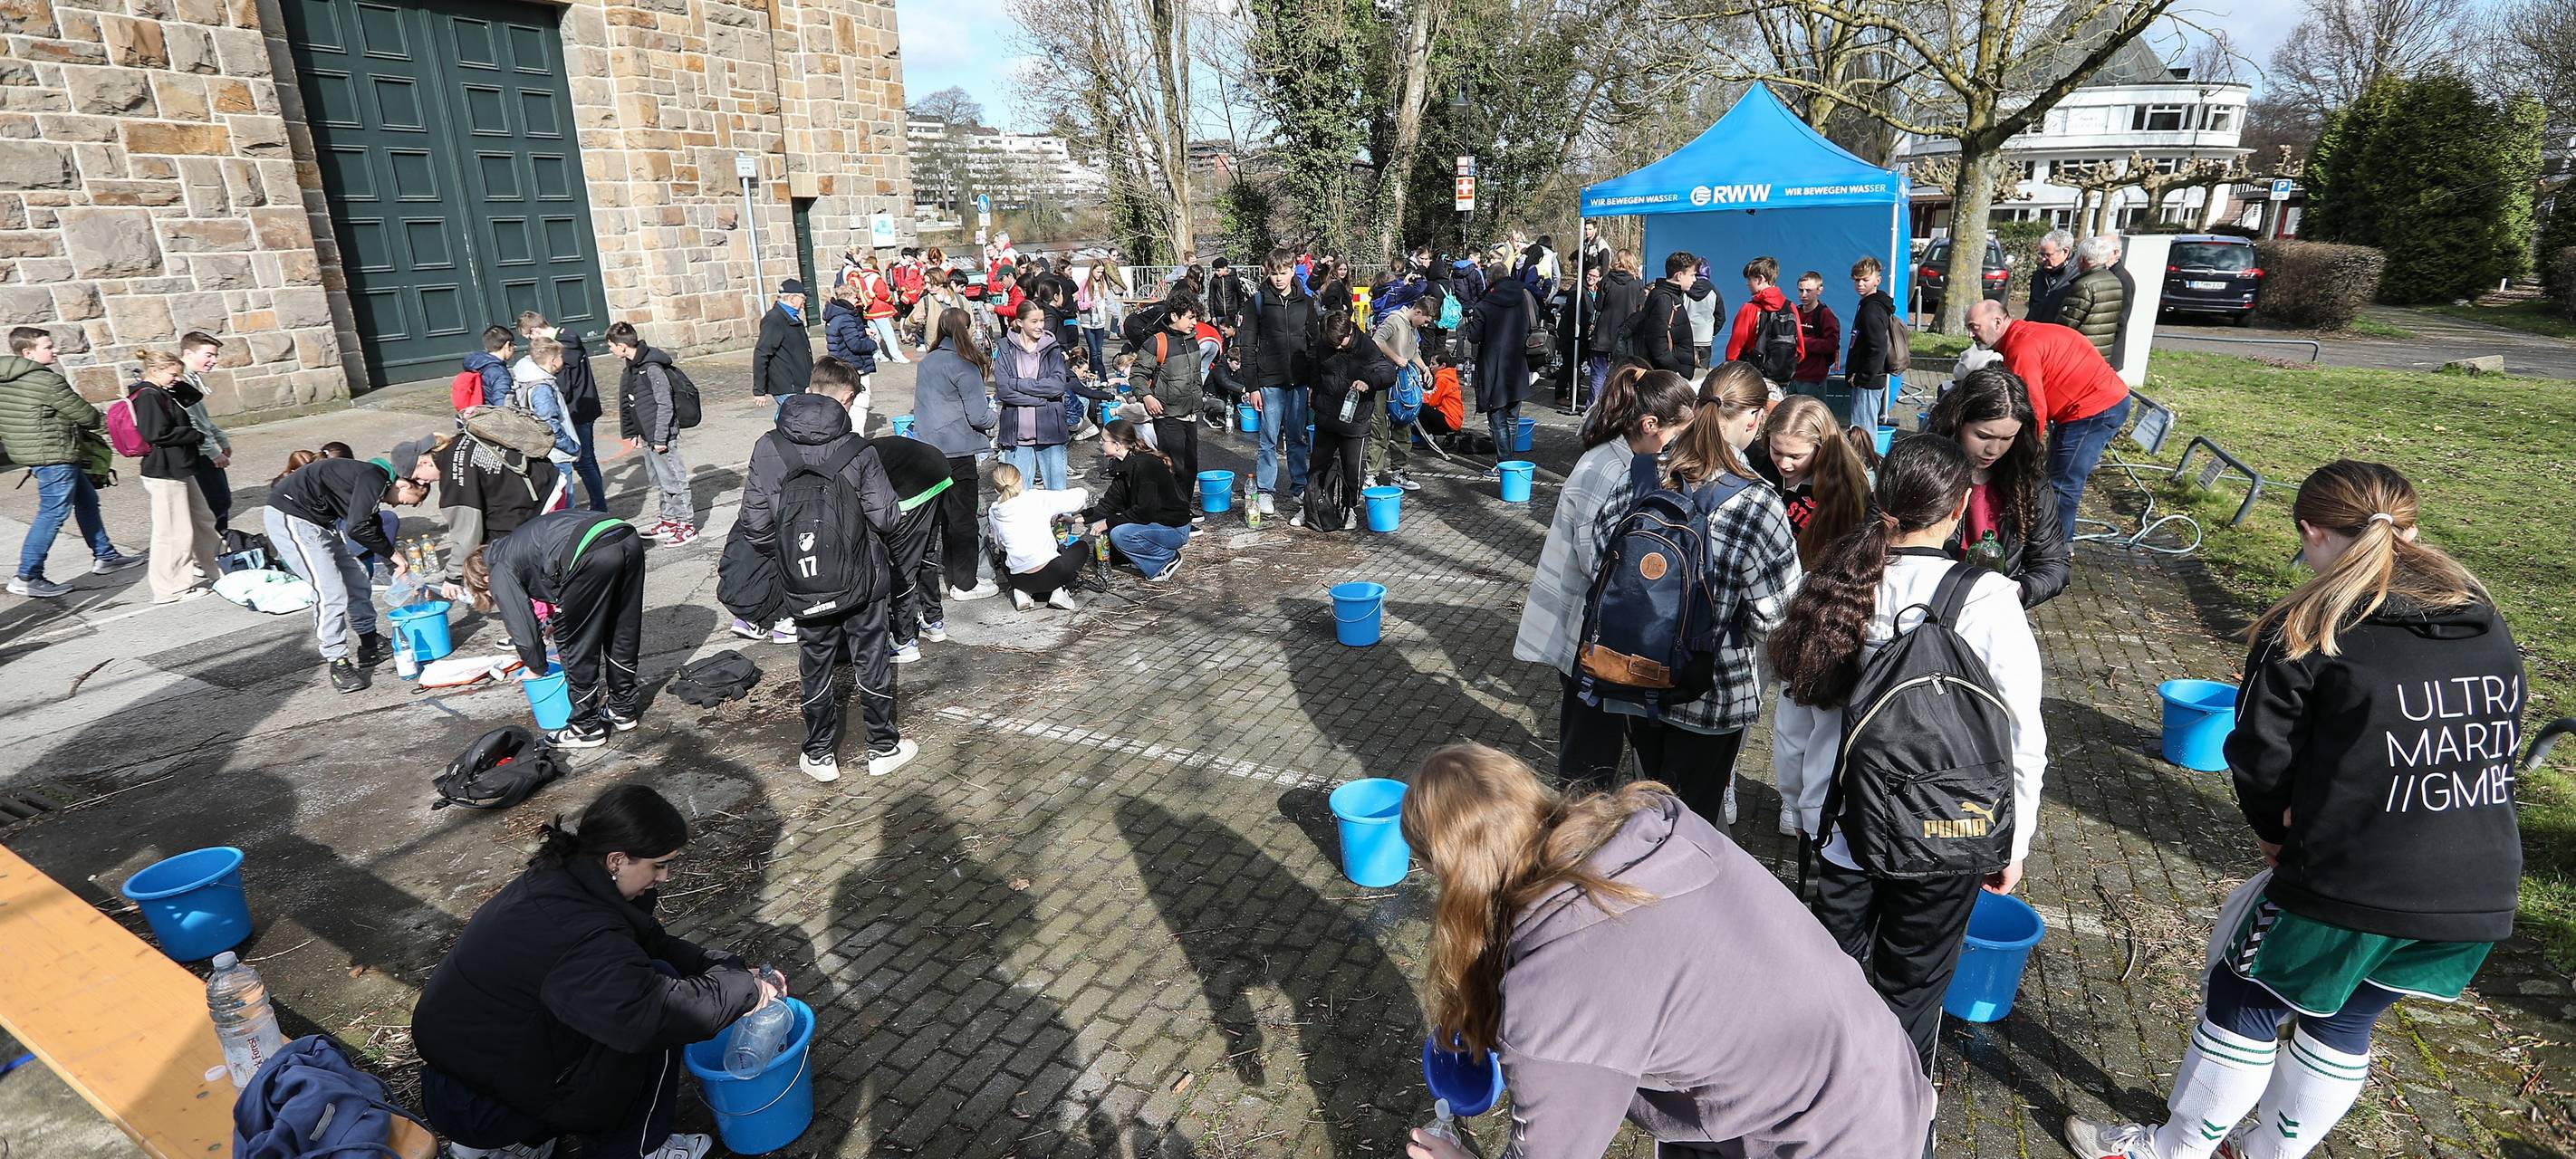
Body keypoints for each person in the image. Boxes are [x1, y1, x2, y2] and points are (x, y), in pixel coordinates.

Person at [2066, 461, 2523, 1159]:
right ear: (2412, 527)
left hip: (2349, 881)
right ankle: (2267, 1153)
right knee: (2341, 1020)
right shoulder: (2482, 619)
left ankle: (2170, 1151)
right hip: (2477, 890)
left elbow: (2258, 754)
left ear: (2310, 531)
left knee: (2244, 998)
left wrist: (2277, 838)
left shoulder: (2308, 626)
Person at [1397, 745, 1935, 1159]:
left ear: (1448, 876)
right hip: (1875, 1062)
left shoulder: (1554, 997)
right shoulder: (1653, 827)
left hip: (1828, 1137)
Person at [1767, 436, 2047, 1075]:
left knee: (1833, 988)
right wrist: (2014, 839)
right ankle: (1900, 1115)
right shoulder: (1989, 599)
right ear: (1960, 508)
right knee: (1912, 994)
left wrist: (1800, 807)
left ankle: (1820, 1106)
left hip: (1843, 832)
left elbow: (1796, 719)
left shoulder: (1833, 582)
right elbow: (2022, 736)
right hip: (1949, 834)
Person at [413, 784, 778, 1159]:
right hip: (483, 1107)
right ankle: (636, 1150)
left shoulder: (565, 877)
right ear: (617, 860)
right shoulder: (579, 931)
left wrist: (724, 968)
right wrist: (744, 993)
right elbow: (655, 1015)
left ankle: (506, 1146)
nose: (665, 877)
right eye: (659, 865)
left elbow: (649, 945)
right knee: (660, 1028)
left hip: (470, 1078)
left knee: (657, 973)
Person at [1579, 362, 1800, 826]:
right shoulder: (1759, 502)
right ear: (1756, 420)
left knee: (1648, 802)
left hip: (1634, 675)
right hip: (1712, 690)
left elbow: (1601, 557)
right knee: (1693, 823)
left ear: (1697, 408)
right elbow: (1775, 617)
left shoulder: (1644, 473)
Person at [1514, 365, 1697, 790]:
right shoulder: (1609, 472)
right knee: (1589, 755)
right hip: (1589, 635)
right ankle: (1577, 834)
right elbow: (1601, 562)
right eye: (1679, 433)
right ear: (1650, 426)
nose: (1682, 445)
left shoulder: (1628, 457)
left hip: (1597, 630)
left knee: (1598, 739)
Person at [738, 381, 913, 781]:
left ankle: (819, 754)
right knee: (871, 658)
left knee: (814, 661)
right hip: (863, 578)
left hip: (803, 578)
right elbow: (887, 518)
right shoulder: (858, 448)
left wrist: (791, 558)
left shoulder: (768, 447)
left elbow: (754, 523)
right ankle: (882, 747)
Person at [454, 508, 644, 746]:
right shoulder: (516, 545)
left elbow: (521, 626)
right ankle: (622, 707)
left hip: (589, 550)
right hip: (624, 534)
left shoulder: (497, 567)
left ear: (484, 580)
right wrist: (556, 620)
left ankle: (585, 727)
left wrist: (536, 666)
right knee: (620, 626)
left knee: (575, 643)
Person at [266, 444, 441, 691]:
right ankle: (337, 661)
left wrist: (395, 561)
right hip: (292, 517)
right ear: (403, 484)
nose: (400, 506)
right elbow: (358, 527)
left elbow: (369, 523)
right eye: (411, 500)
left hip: (321, 522)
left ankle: (370, 643)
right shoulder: (375, 477)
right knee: (330, 591)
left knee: (357, 576)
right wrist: (394, 555)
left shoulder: (374, 479)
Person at [1965, 300, 2133, 539]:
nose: (1970, 334)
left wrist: (2022, 455)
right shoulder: (2022, 336)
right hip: (2086, 404)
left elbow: (2033, 409)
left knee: (2062, 483)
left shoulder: (2022, 348)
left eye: (1974, 327)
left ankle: (2057, 549)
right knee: (2055, 477)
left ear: (1997, 322)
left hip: (2094, 409)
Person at [2, 328, 142, 598]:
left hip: (38, 452)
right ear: (27, 353)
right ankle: (27, 575)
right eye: (48, 346)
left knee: (87, 501)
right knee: (52, 513)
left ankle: (105, 556)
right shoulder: (44, 379)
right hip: (54, 454)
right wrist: (113, 420)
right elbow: (85, 415)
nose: (55, 351)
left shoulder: (5, 380)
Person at [1927, 368, 2070, 607]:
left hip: (1992, 611)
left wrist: (2016, 593)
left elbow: (2053, 563)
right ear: (1957, 422)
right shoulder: (1921, 468)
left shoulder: (2029, 482)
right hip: (1925, 606)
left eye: (2007, 439)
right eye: (1983, 436)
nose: (1993, 450)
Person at [913, 309, 1000, 601]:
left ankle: (944, 578)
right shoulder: (965, 364)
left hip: (928, 451)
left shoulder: (927, 362)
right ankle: (964, 583)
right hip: (959, 451)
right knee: (962, 520)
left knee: (938, 520)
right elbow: (978, 415)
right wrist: (995, 416)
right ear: (967, 329)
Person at [127, 350, 223, 603]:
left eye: (178, 374)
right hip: (164, 470)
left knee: (203, 521)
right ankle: (170, 588)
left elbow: (194, 398)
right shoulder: (147, 395)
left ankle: (221, 568)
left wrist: (177, 383)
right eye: (172, 374)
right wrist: (195, 435)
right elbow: (155, 433)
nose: (176, 379)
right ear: (155, 371)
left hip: (180, 467)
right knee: (173, 532)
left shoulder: (161, 391)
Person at [1301, 311, 1399, 531]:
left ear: (1350, 332)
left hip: (1356, 419)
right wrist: (1314, 395)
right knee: (1317, 465)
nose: (1336, 348)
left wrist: (1369, 381)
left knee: (1353, 468)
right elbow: (1315, 371)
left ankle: (1350, 507)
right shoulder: (1324, 343)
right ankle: (1311, 505)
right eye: (1331, 344)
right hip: (1326, 415)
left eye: (1340, 343)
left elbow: (1387, 372)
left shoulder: (1367, 347)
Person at [437, 407, 566, 574]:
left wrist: (454, 574)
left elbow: (467, 530)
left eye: (419, 477)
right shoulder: (460, 440)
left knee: (540, 563)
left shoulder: (453, 465)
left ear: (423, 462)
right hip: (547, 479)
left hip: (541, 498)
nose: (425, 481)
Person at [1239, 251, 1317, 517]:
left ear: (1294, 270)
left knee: (1296, 438)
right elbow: (1247, 347)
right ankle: (1265, 491)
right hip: (1269, 381)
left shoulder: (1305, 303)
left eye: (1284, 272)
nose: (1279, 278)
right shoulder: (1256, 302)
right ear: (1266, 271)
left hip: (1299, 381)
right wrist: (1252, 387)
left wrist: (1314, 382)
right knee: (1268, 439)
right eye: (1274, 273)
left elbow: (1314, 344)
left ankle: (1300, 487)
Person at [1752, 395, 1871, 569]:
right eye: (1777, 451)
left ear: (1821, 449)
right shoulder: (1758, 466)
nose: (1784, 463)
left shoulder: (1845, 490)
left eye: (1796, 456)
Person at [607, 322, 698, 546]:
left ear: (621, 346)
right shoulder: (632, 367)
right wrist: (633, 433)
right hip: (647, 435)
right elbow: (629, 403)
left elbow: (664, 404)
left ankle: (687, 526)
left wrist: (660, 438)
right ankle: (669, 520)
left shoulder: (652, 367)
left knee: (675, 480)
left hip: (661, 436)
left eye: (610, 346)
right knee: (659, 480)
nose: (609, 350)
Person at [519, 311, 608, 512]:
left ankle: (599, 508)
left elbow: (564, 387)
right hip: (583, 407)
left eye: (529, 337)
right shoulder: (569, 338)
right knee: (587, 460)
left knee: (582, 461)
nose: (533, 342)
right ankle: (598, 506)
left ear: (534, 330)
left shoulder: (562, 349)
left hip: (575, 411)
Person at [1082, 420, 1190, 582]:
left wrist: (1109, 522)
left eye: (1103, 440)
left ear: (1117, 445)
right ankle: (1146, 558)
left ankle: (1167, 559)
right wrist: (1077, 517)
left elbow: (1145, 511)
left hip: (1174, 528)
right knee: (1107, 552)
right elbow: (1108, 504)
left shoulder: (1145, 465)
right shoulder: (1124, 466)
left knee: (1119, 534)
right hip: (1155, 524)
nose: (1100, 443)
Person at [990, 300, 1076, 494]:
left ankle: (1060, 526)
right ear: (1020, 322)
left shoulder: (1052, 347)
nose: (1040, 326)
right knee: (1017, 496)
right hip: (1017, 434)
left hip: (1050, 430)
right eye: (1034, 321)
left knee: (1057, 496)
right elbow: (1004, 390)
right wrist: (1039, 400)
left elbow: (1056, 387)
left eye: (1042, 321)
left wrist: (1019, 383)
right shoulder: (1005, 347)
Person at [1462, 258, 1537, 477]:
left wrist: (1471, 322)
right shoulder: (1524, 295)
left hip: (1493, 366)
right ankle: (1508, 460)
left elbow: (1474, 337)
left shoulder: (1485, 304)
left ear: (1489, 281)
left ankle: (1504, 464)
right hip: (1518, 363)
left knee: (1498, 420)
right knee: (1512, 416)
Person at [1133, 292, 1206, 513]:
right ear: (1174, 316)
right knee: (1175, 464)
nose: (1195, 322)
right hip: (1167, 414)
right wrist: (1146, 396)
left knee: (1190, 464)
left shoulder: (1192, 340)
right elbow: (1137, 373)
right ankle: (1174, 509)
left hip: (1190, 413)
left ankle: (1182, 506)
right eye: (1190, 317)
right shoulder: (1156, 342)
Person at [984, 462, 1091, 611]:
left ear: (996, 490)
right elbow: (1079, 497)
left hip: (1018, 578)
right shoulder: (1036, 497)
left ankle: (1021, 592)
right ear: (1021, 480)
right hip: (1052, 574)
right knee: (1081, 547)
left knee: (1003, 551)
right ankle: (1060, 591)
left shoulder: (994, 510)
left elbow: (1000, 544)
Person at [1367, 295, 1430, 491]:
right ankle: (1371, 475)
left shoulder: (1412, 327)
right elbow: (1376, 341)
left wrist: (1424, 368)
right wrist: (1395, 358)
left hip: (1400, 385)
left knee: (1403, 424)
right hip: (1382, 381)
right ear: (1418, 312)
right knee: (1379, 428)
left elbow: (1413, 352)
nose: (1426, 325)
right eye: (1426, 320)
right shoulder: (1394, 320)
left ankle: (1399, 472)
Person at [176, 332, 235, 533]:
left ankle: (218, 547)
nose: (214, 361)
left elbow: (202, 417)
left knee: (219, 502)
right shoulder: (181, 380)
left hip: (203, 448)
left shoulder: (192, 378)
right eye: (208, 355)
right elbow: (190, 422)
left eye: (215, 355)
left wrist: (221, 438)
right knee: (217, 502)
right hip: (198, 453)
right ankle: (217, 551)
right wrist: (212, 452)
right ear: (188, 353)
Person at [1723, 256, 1802, 386]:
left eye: (1749, 279)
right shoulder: (1791, 307)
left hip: (1752, 378)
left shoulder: (1749, 308)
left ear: (1760, 279)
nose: (1747, 283)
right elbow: (1800, 349)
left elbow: (1734, 349)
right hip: (1781, 379)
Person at [510, 337, 585, 466]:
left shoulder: (528, 378)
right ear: (553, 361)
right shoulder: (542, 388)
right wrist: (573, 448)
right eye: (561, 356)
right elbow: (549, 426)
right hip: (555, 456)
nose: (563, 359)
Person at [2061, 233, 2128, 365]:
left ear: (2082, 259)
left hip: (2080, 355)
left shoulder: (2084, 285)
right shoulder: (2114, 280)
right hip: (2101, 354)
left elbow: (2066, 326)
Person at [1846, 256, 1897, 426]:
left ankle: (1867, 454)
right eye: (1857, 280)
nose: (1860, 284)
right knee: (1863, 426)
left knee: (1863, 429)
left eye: (1865, 280)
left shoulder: (1871, 310)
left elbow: (1878, 348)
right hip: (1869, 379)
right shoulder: (1869, 305)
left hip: (1868, 382)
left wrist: (1862, 377)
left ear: (1877, 281)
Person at [749, 278, 811, 411]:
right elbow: (761, 354)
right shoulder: (774, 319)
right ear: (793, 298)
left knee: (793, 422)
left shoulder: (792, 318)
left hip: (799, 384)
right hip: (787, 385)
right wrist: (759, 391)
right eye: (802, 299)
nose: (804, 303)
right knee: (795, 422)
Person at [1636, 252, 1698, 376]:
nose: (1694, 280)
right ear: (1679, 275)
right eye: (1692, 275)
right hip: (1665, 374)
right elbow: (1657, 340)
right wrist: (1675, 369)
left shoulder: (1670, 296)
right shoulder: (1664, 299)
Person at [822, 283, 879, 401]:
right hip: (854, 363)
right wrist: (873, 344)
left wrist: (864, 331)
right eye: (855, 297)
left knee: (845, 398)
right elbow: (855, 344)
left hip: (841, 362)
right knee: (861, 399)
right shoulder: (846, 317)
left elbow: (842, 335)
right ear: (848, 296)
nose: (857, 300)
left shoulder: (835, 314)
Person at [1789, 271, 1841, 390]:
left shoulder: (1825, 315)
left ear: (1819, 290)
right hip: (1793, 376)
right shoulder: (1795, 312)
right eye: (1801, 290)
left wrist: (1802, 341)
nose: (1804, 295)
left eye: (1808, 290)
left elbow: (1831, 345)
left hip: (1813, 379)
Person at [1076, 264, 1124, 379]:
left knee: (1099, 351)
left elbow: (1110, 303)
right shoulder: (1084, 284)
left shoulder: (1103, 285)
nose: (1100, 274)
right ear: (1092, 270)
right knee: (1093, 350)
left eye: (1102, 272)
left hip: (1100, 322)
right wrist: (1088, 305)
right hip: (1087, 322)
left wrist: (1119, 316)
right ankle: (1099, 375)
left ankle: (1097, 375)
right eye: (1098, 271)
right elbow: (1078, 302)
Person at [857, 258, 908, 363]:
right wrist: (890, 300)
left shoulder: (861, 277)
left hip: (868, 309)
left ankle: (877, 354)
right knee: (888, 333)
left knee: (874, 333)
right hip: (879, 309)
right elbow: (882, 294)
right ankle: (896, 355)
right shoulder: (875, 277)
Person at [2025, 228, 2079, 323]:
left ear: (2065, 251)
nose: (2043, 259)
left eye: (2048, 255)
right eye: (2041, 254)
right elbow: (2033, 307)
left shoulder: (2078, 277)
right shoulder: (2039, 274)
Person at [462, 324, 514, 410]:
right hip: (492, 416)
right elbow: (502, 404)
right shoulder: (500, 373)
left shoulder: (476, 364)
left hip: (478, 413)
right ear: (507, 345)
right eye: (513, 346)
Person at [1683, 261, 1720, 369]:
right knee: (1703, 375)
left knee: (1685, 375)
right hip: (1705, 340)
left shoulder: (1685, 289)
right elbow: (1721, 316)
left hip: (1687, 338)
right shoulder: (1714, 292)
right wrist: (1711, 332)